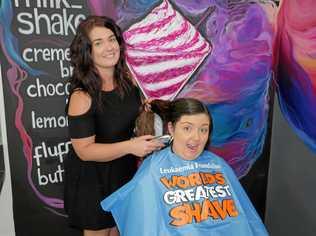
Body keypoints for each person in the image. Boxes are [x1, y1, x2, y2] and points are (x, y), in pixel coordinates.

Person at [101, 98, 268, 236]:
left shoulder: (218, 165)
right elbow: (145, 226)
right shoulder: (153, 169)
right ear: (171, 129)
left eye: (204, 130)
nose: (196, 138)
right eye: (187, 128)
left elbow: (247, 222)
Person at [63, 16, 164, 236]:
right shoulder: (82, 96)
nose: (109, 47)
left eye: (111, 39)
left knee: (117, 231)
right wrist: (130, 146)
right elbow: (84, 151)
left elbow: (125, 120)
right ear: (87, 51)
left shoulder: (128, 82)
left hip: (122, 174)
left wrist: (146, 114)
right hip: (92, 181)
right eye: (98, 43)